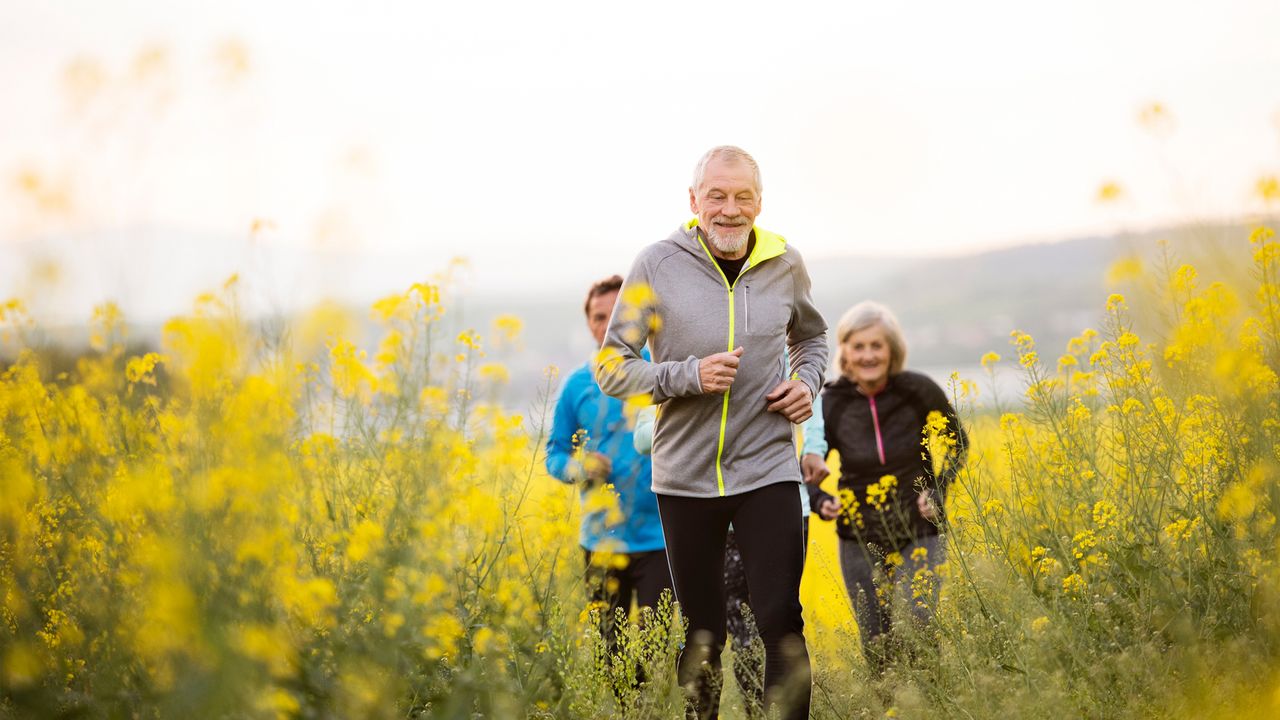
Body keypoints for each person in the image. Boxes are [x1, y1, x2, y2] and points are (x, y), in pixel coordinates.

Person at [596, 146, 827, 720]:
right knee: (703, 630)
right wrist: (686, 376)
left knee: (780, 618)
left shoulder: (785, 262)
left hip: (766, 466)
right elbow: (611, 365)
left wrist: (807, 382)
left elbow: (813, 339)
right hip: (685, 476)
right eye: (717, 196)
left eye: (742, 196)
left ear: (759, 202)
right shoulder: (656, 264)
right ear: (694, 200)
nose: (730, 209)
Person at [634, 402, 835, 719]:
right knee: (707, 635)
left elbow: (809, 400)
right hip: (699, 503)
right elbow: (643, 437)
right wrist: (689, 408)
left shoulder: (771, 352)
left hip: (772, 496)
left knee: (778, 623)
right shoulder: (673, 360)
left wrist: (813, 448)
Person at [806, 301, 967, 673]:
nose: (868, 355)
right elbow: (809, 464)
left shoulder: (918, 390)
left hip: (919, 530)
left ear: (892, 349)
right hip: (859, 538)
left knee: (919, 628)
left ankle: (929, 709)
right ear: (844, 351)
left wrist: (939, 489)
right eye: (858, 346)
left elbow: (959, 443)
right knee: (876, 644)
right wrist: (819, 498)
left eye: (876, 345)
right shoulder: (831, 402)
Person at [545, 275, 672, 658]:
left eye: (618, 314)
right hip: (600, 541)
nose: (607, 324)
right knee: (610, 656)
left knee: (655, 654)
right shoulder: (577, 385)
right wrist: (580, 467)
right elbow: (554, 455)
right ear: (589, 323)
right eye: (600, 316)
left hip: (661, 540)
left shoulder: (662, 372)